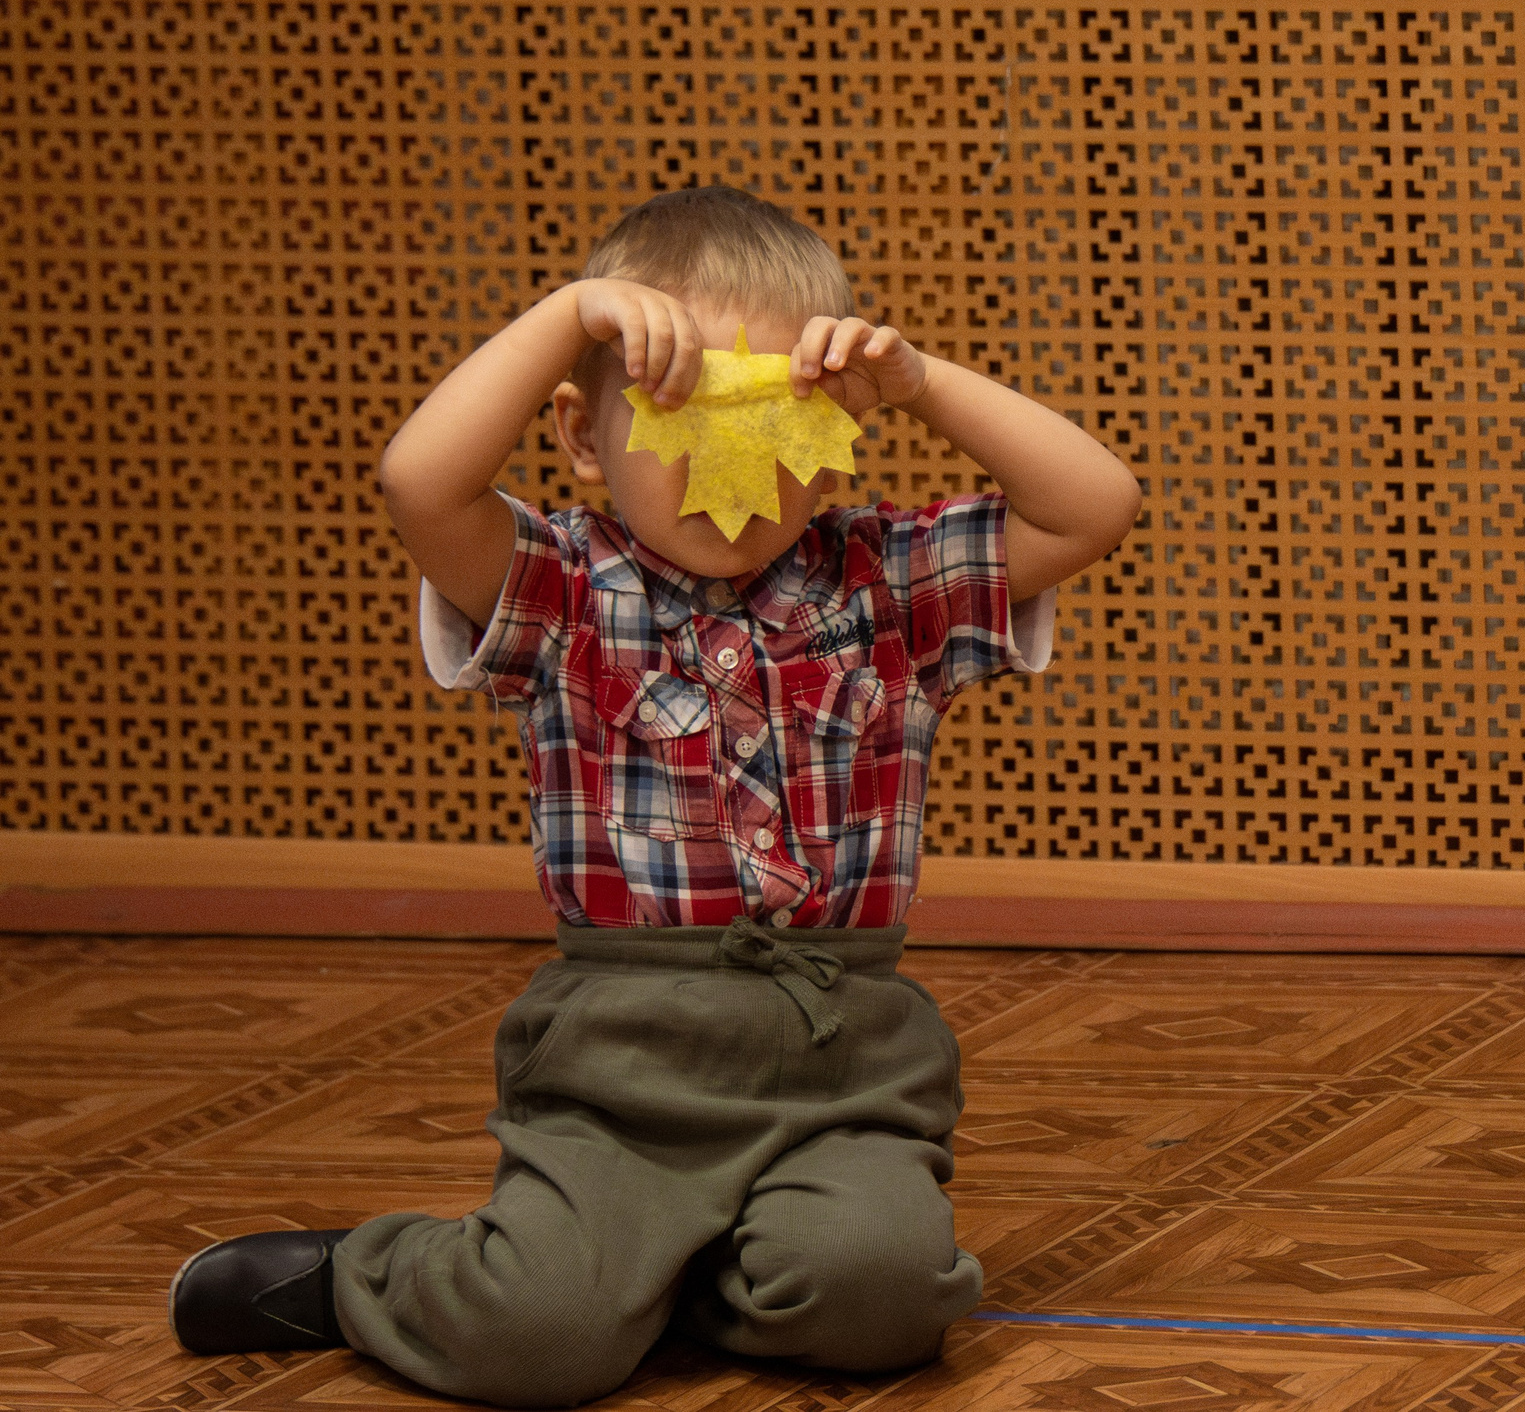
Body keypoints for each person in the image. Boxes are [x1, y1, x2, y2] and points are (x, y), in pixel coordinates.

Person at [166, 186, 1141, 1405]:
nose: (725, 473)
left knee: (883, 1303)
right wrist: (566, 313)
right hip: (620, 1076)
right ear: (582, 434)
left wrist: (924, 378)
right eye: (679, 417)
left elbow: (1097, 504)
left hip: (846, 1069)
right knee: (534, 1343)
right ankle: (375, 1271)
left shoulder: (887, 581)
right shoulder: (559, 590)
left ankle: (681, 1268)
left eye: (770, 422)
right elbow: (419, 481)